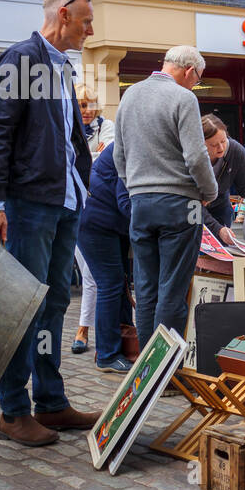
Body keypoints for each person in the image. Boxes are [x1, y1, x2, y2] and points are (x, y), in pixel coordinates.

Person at [0, 0, 101, 447]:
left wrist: (83, 186)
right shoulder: (21, 60)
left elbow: (69, 140)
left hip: (62, 203)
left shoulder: (58, 67)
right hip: (29, 206)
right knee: (22, 307)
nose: (91, 30)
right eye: (86, 21)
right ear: (64, 15)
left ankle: (51, 402)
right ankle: (13, 411)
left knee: (52, 304)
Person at [113, 45, 218, 345]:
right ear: (188, 71)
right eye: (197, 78)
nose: (195, 84)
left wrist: (135, 188)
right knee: (172, 290)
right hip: (178, 204)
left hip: (141, 203)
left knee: (146, 290)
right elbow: (197, 157)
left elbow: (118, 155)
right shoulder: (184, 97)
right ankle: (167, 374)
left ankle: (146, 373)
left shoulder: (129, 95)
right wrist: (209, 191)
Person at [77, 146, 134, 373]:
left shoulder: (131, 139)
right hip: (97, 223)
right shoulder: (129, 146)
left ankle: (124, 343)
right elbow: (125, 201)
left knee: (118, 284)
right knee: (110, 284)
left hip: (110, 223)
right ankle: (108, 354)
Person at [71, 88, 114, 355]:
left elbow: (105, 159)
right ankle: (91, 330)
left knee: (91, 274)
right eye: (82, 104)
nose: (87, 110)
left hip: (99, 205)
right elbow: (70, 162)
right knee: (87, 271)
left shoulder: (106, 126)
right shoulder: (70, 126)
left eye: (92, 105)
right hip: (74, 205)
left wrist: (88, 159)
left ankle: (84, 330)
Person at [202, 114, 245, 244]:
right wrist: (217, 229)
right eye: (214, 145)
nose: (221, 148)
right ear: (201, 143)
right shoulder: (191, 156)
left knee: (222, 251)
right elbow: (191, 203)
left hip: (221, 207)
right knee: (193, 250)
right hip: (192, 208)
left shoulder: (236, 150)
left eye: (223, 141)